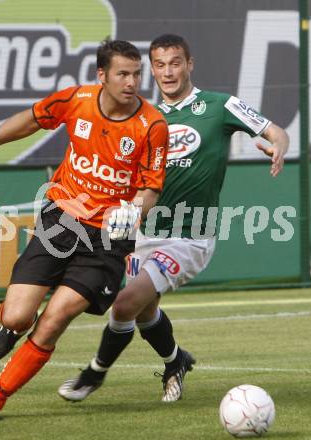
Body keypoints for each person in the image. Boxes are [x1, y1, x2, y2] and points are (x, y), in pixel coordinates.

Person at [58, 34, 290, 403]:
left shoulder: (219, 105)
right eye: (160, 65)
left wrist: (278, 145)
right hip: (142, 232)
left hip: (190, 236)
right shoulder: (143, 116)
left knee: (124, 304)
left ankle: (94, 373)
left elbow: (275, 130)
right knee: (146, 310)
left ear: (189, 64)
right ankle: (175, 361)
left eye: (175, 63)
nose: (168, 72)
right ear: (152, 69)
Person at [0, 38, 168, 422]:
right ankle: (10, 327)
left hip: (107, 242)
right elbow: (32, 118)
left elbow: (151, 189)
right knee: (18, 316)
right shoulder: (77, 99)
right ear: (102, 75)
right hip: (60, 222)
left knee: (56, 316)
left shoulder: (152, 125)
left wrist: (133, 209)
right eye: (123, 74)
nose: (132, 82)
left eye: (137, 74)